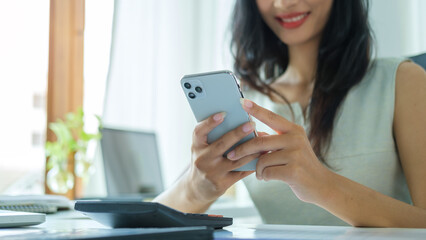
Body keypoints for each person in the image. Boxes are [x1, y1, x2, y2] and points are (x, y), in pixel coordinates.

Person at [154, 0, 426, 227]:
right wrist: (197, 189)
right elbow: (149, 219)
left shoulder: (402, 81)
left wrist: (323, 186)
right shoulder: (245, 101)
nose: (283, 3)